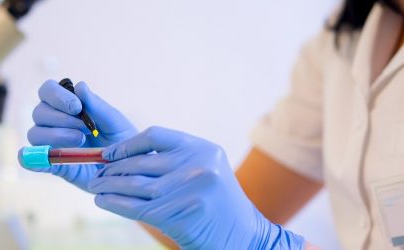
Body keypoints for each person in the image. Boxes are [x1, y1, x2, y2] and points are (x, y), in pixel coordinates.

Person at [23, 0, 404, 249]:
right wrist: (135, 181)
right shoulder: (346, 38)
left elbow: (240, 235)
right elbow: (205, 229)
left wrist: (261, 243)